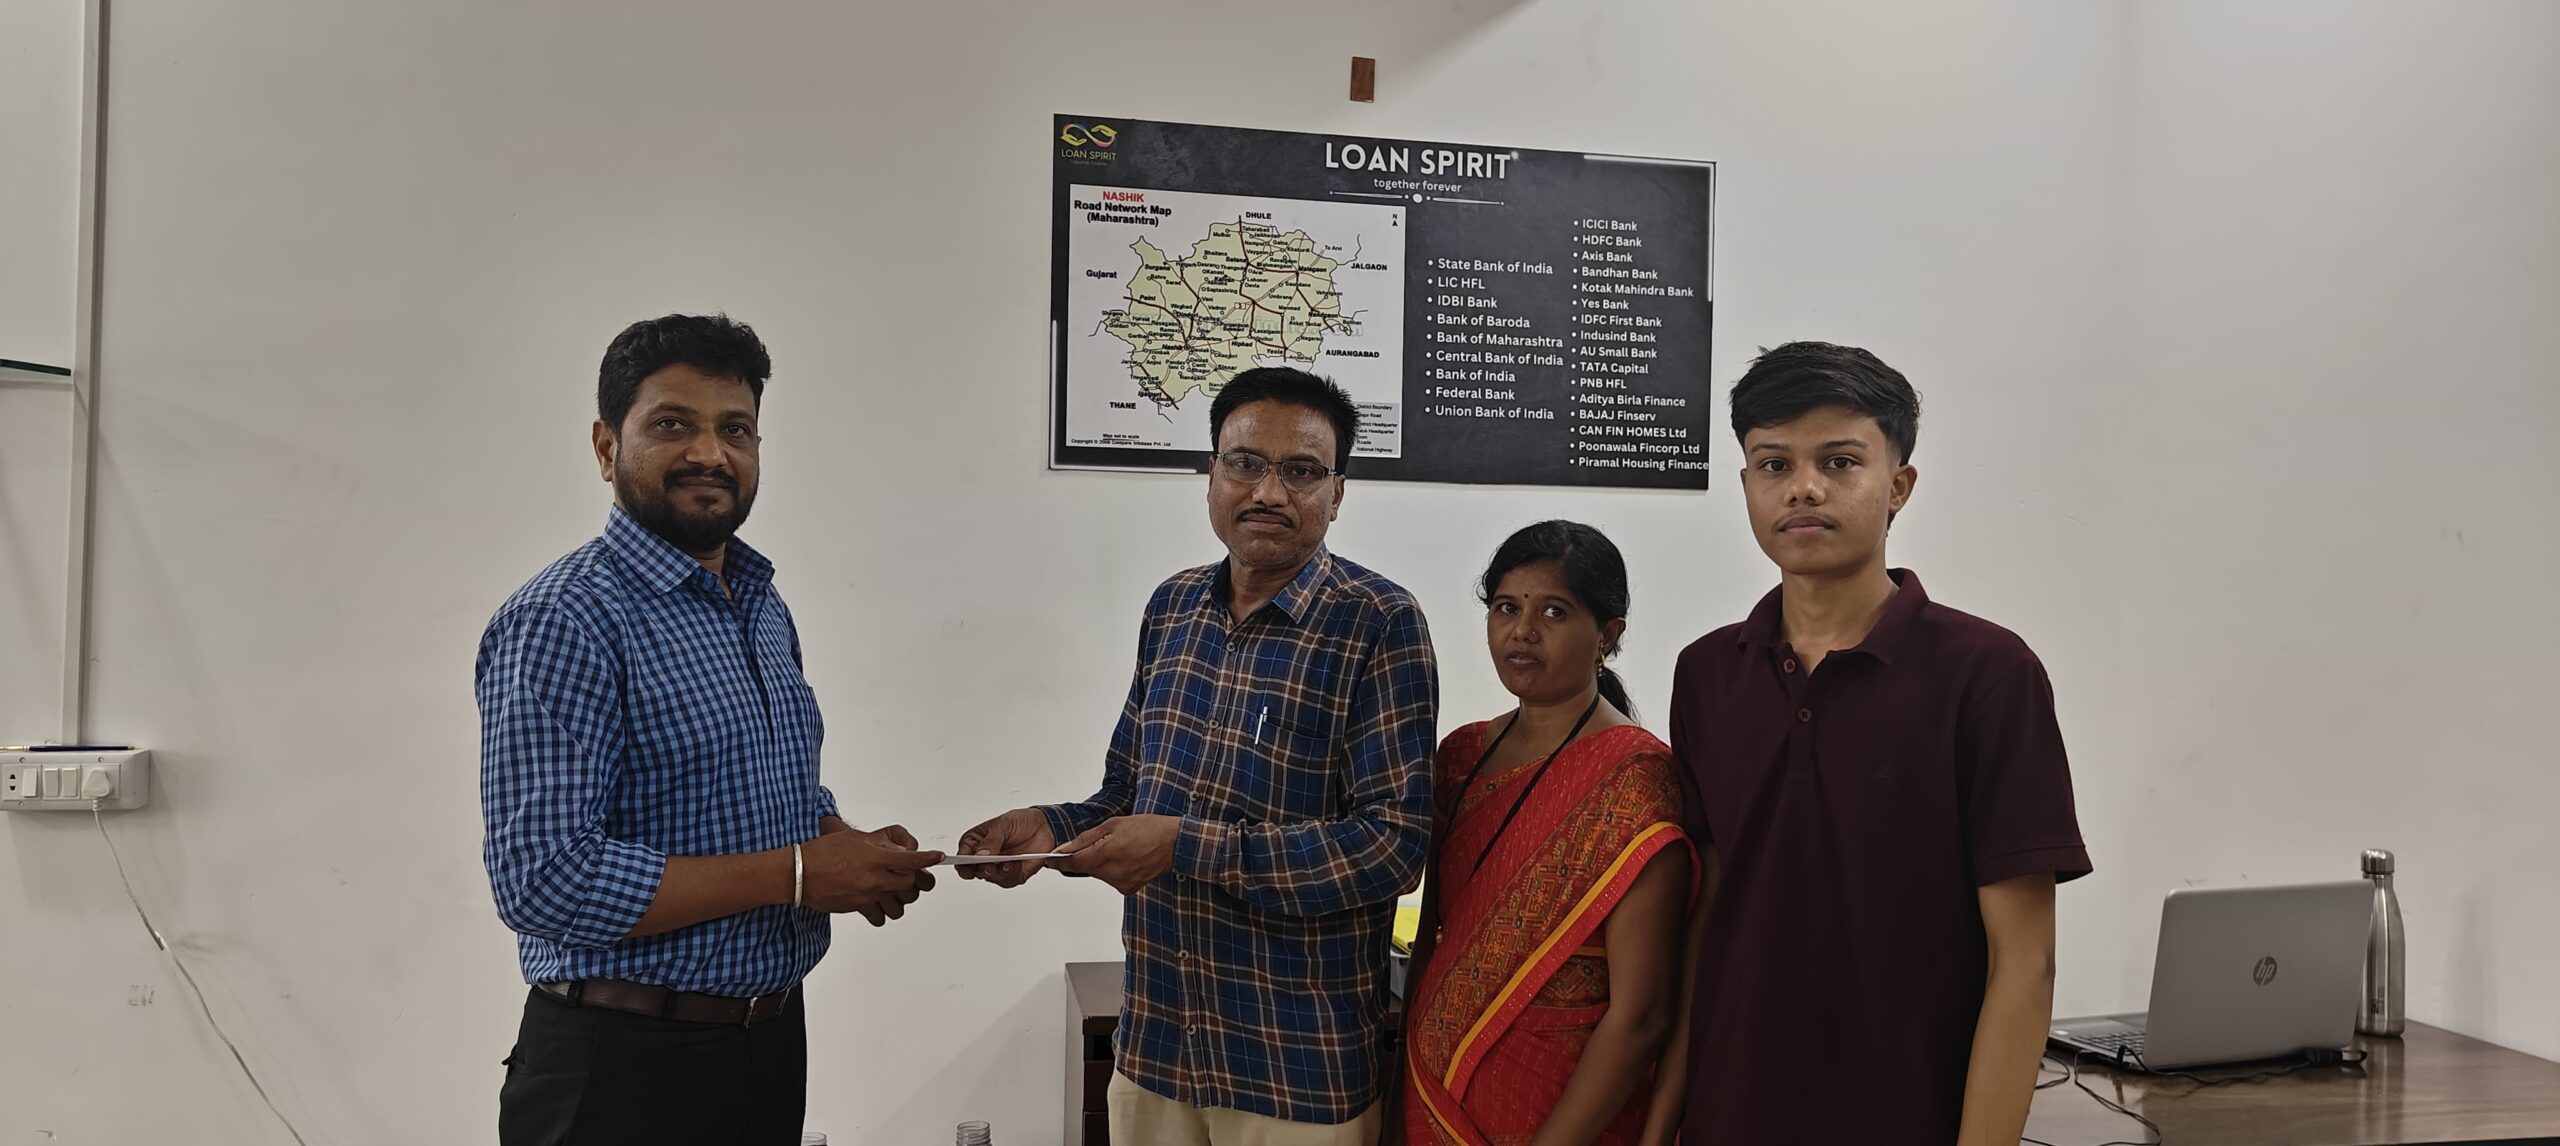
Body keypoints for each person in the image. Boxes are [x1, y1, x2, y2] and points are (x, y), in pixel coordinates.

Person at [477, 313, 942, 1146]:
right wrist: (799, 874)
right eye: (671, 425)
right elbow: (544, 880)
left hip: (767, 1043)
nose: (709, 453)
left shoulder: (758, 603)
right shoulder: (564, 619)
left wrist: (843, 844)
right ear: (605, 446)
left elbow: (765, 784)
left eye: (735, 429)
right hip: (620, 1070)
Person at [958, 366, 1440, 1146]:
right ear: (1211, 474)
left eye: (1302, 471)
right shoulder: (1172, 608)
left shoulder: (1379, 622)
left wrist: (1186, 846)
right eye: (1245, 463)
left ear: (1337, 493)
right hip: (1157, 1048)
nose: (1268, 492)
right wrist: (1051, 831)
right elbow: (1128, 794)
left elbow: (1392, 847)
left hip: (1295, 1074)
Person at [1658, 342, 2092, 1145]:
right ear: (1747, 484)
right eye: (1774, 464)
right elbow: (1709, 920)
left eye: (1840, 461)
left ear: (1899, 485)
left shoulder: (1989, 675)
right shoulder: (1708, 674)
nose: (1804, 487)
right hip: (1732, 1113)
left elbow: (2025, 964)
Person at [1398, 522, 1692, 1146]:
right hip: (1432, 1092)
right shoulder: (1461, 757)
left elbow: (1641, 1017)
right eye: (1506, 608)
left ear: (1608, 635)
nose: (1522, 631)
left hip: (1562, 1108)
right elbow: (1432, 941)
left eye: (1554, 612)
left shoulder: (1635, 777)